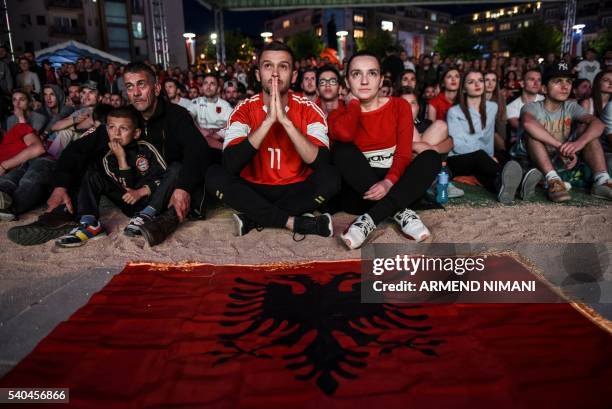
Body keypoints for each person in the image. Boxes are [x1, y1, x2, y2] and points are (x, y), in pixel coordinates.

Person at [8, 62, 212, 246]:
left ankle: (161, 220)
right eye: (130, 87)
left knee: (177, 169)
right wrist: (60, 185)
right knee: (89, 163)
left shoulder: (176, 115)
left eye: (141, 84)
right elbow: (78, 149)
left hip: (163, 189)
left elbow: (198, 151)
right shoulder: (124, 117)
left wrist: (183, 187)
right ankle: (75, 218)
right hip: (129, 189)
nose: (136, 92)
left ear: (156, 88)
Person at [205, 41, 340, 239]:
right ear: (259, 74)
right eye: (268, 66)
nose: (275, 73)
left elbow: (321, 163)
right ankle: (292, 222)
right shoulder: (243, 110)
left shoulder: (309, 109)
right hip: (254, 189)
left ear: (293, 76)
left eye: (283, 66)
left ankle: (255, 218)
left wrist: (285, 122)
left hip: (295, 188)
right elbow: (230, 163)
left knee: (332, 177)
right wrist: (268, 122)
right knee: (214, 175)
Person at [329, 51, 440, 249]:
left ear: (381, 80)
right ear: (347, 81)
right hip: (361, 193)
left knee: (431, 157)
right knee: (341, 149)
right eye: (356, 74)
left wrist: (389, 182)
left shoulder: (400, 106)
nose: (364, 81)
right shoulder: (338, 115)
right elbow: (345, 135)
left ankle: (369, 221)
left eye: (371, 74)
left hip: (395, 184)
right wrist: (353, 104)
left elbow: (404, 153)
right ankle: (401, 212)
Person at [54, 107, 170, 247]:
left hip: (154, 201)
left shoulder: (146, 148)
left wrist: (142, 191)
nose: (116, 133)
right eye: (111, 127)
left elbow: (166, 177)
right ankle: (89, 223)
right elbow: (127, 188)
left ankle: (146, 216)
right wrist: (121, 158)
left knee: (176, 168)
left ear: (136, 133)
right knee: (93, 174)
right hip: (130, 204)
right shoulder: (108, 157)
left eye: (124, 129)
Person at [520, 62, 610, 202]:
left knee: (587, 130)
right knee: (532, 133)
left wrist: (578, 144)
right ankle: (553, 181)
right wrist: (561, 146)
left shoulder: (571, 106)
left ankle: (602, 181)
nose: (565, 86)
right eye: (557, 81)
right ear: (543, 88)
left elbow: (598, 124)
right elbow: (528, 123)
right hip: (535, 163)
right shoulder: (532, 107)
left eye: (568, 81)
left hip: (563, 162)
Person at [446, 70, 531, 204]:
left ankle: (501, 187)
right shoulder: (454, 111)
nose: (477, 84)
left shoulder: (492, 107)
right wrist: (486, 157)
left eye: (480, 80)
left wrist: (490, 156)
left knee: (489, 168)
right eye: (471, 82)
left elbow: (488, 137)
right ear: (463, 89)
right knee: (480, 157)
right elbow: (457, 145)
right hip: (457, 159)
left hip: (481, 158)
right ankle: (521, 182)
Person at [0, 122, 49, 221]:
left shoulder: (18, 128)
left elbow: (38, 149)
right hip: (15, 174)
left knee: (30, 177)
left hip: (41, 162)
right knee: (7, 180)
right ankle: (5, 209)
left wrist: (4, 165)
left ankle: (10, 209)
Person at [187, 73, 233, 152]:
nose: (208, 86)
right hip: (200, 138)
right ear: (202, 87)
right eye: (205, 83)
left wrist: (214, 133)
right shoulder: (196, 102)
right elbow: (188, 116)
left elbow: (232, 123)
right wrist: (200, 130)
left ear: (218, 88)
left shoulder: (225, 105)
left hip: (218, 139)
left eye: (212, 84)